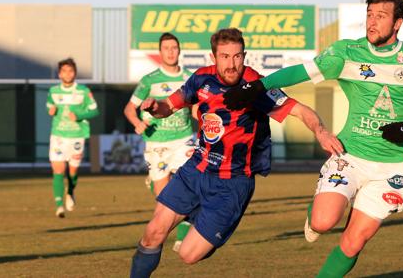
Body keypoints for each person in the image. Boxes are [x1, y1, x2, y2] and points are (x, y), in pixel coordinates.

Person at [222, 0, 403, 277]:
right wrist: (259, 86)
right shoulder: (346, 53)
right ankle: (313, 215)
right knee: (324, 221)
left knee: (354, 242)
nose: (372, 22)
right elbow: (302, 71)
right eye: (369, 15)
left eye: (381, 16)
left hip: (393, 167)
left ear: (397, 23)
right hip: (349, 156)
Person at [129, 28, 343, 278]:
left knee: (188, 254)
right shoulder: (201, 79)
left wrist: (321, 131)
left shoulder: (255, 86)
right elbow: (168, 105)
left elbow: (301, 110)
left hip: (232, 184)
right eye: (225, 57)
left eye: (237, 56)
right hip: (196, 170)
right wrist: (156, 107)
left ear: (244, 55)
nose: (232, 64)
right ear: (213, 57)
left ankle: (201, 216)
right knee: (152, 232)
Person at [124, 32, 196, 251]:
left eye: (174, 47)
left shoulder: (190, 78)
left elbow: (196, 108)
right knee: (164, 203)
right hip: (156, 145)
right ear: (160, 52)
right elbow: (129, 108)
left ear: (179, 50)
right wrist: (136, 122)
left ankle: (182, 236)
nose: (171, 52)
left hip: (184, 139)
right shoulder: (149, 80)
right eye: (166, 48)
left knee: (190, 187)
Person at [47, 58, 99, 218]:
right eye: (64, 71)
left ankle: (70, 191)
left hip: (77, 136)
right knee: (58, 169)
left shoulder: (83, 91)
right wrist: (51, 110)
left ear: (74, 73)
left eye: (70, 71)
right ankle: (59, 205)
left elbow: (95, 110)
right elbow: (49, 106)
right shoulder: (53, 91)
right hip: (58, 136)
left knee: (73, 170)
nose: (67, 74)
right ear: (59, 73)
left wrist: (79, 115)